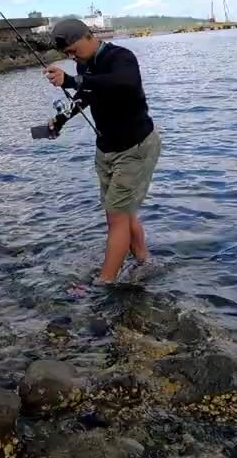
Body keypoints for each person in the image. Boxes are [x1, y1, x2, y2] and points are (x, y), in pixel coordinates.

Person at [44, 18, 161, 285]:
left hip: (135, 148)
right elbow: (87, 95)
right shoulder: (83, 65)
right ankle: (144, 261)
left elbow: (124, 83)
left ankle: (104, 283)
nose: (72, 57)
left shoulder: (121, 58)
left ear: (88, 36)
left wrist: (72, 80)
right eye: (67, 54)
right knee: (121, 212)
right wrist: (60, 120)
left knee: (116, 217)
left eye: (73, 50)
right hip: (107, 150)